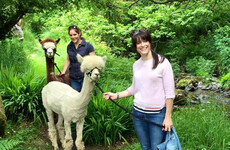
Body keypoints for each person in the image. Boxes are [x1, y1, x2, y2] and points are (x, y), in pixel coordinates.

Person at [103, 28, 175, 150]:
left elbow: (170, 94)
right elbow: (134, 88)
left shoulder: (163, 63)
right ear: (135, 46)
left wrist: (167, 117)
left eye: (145, 41)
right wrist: (116, 95)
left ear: (150, 42)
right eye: (138, 43)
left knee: (157, 148)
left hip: (157, 115)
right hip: (138, 114)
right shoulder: (136, 65)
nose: (142, 45)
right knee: (145, 147)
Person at [60, 25, 95, 92]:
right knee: (75, 98)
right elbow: (68, 60)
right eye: (71, 35)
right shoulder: (69, 46)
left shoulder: (88, 46)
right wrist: (64, 71)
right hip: (73, 78)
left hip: (85, 77)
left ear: (79, 33)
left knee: (86, 98)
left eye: (75, 34)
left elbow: (93, 62)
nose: (73, 37)